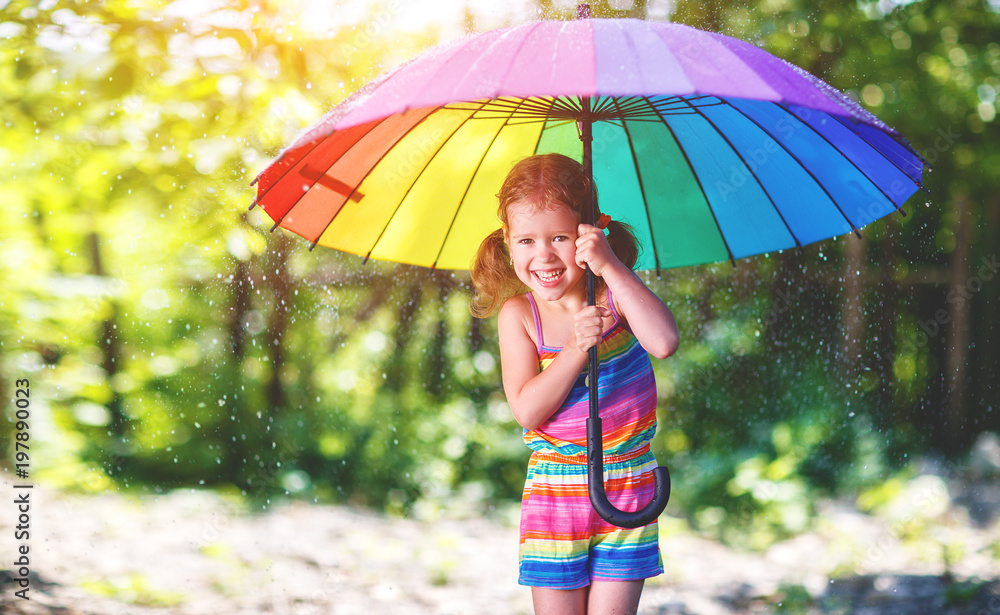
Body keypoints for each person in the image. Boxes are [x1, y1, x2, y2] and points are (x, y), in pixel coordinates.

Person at [471, 153, 679, 615]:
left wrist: (610, 267)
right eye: (526, 240)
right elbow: (527, 409)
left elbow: (664, 342)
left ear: (588, 235)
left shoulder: (613, 296)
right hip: (556, 488)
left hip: (627, 478)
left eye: (560, 238)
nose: (542, 256)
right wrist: (573, 351)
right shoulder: (519, 315)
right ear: (508, 243)